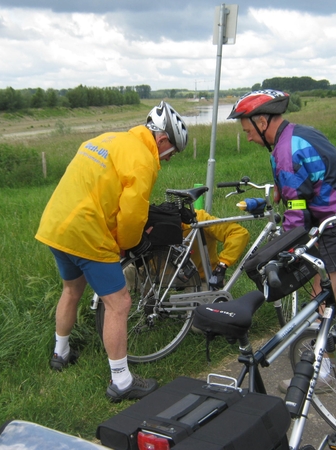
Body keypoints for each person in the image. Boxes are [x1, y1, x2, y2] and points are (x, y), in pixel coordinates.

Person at [35, 101, 188, 402]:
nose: (168, 159)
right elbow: (132, 217)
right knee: (119, 303)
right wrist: (131, 243)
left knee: (71, 290)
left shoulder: (106, 139)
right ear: (162, 140)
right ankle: (121, 381)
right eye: (171, 152)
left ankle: (60, 353)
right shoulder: (143, 159)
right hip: (87, 232)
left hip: (56, 226)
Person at [228, 89, 336, 393]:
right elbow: (306, 182)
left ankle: (323, 369)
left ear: (263, 121)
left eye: (248, 131)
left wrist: (286, 250)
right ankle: (330, 345)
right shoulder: (294, 135)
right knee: (323, 289)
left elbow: (296, 216)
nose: (249, 138)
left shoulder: (285, 150)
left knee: (325, 292)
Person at [182, 209, 249, 290]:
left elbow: (238, 233)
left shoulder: (199, 219)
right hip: (167, 282)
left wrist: (222, 264)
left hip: (198, 280)